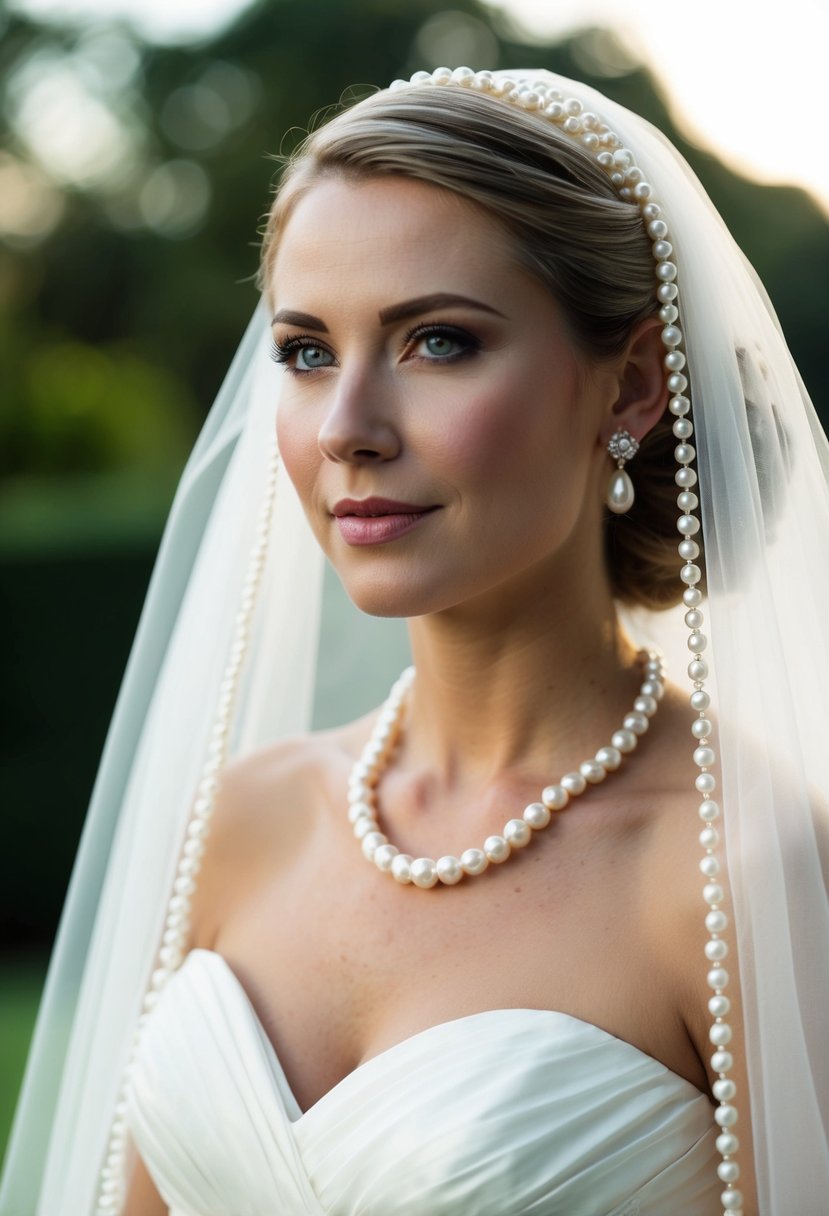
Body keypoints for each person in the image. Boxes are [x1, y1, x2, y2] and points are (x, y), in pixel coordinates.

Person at [1, 66, 828, 1216]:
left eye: (437, 342)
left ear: (630, 384)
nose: (346, 430)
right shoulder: (248, 819)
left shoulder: (741, 869)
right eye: (304, 351)